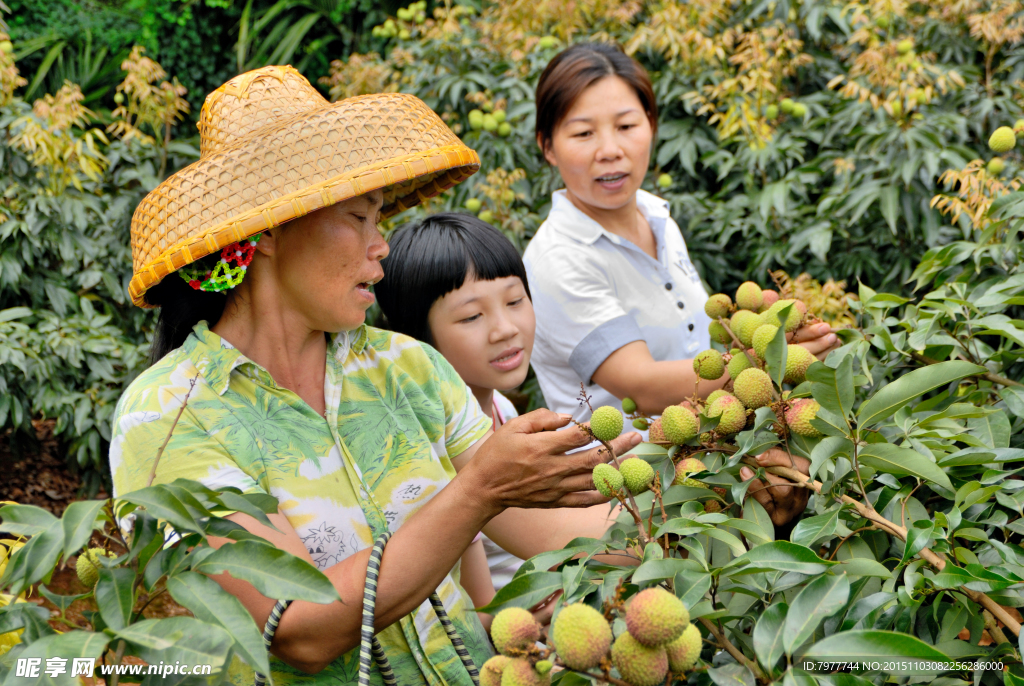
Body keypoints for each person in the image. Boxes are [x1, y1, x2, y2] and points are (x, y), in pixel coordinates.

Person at [109, 67, 639, 686]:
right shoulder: (169, 415)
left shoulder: (406, 368)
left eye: (378, 218)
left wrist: (704, 491)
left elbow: (551, 531)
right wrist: (477, 491)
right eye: (360, 218)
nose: (381, 244)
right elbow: (299, 627)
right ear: (269, 231)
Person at [524, 44, 839, 525]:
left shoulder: (657, 216)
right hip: (633, 507)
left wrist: (766, 339)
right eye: (584, 133)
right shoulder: (557, 259)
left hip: (710, 471)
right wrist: (767, 360)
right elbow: (643, 387)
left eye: (627, 126)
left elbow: (700, 344)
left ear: (651, 125)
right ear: (547, 145)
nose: (611, 149)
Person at [375, 213, 621, 604]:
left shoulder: (502, 409)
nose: (505, 328)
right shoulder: (433, 449)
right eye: (472, 316)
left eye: (514, 300)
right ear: (414, 340)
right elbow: (483, 606)